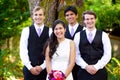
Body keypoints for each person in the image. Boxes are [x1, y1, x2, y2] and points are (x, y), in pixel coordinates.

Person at [74, 10, 111, 80]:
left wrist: (96, 67)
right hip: (83, 71)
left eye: (92, 18)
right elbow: (76, 54)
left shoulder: (104, 35)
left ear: (95, 19)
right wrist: (86, 66)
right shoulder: (78, 35)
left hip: (100, 72)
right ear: (84, 21)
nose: (90, 21)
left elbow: (107, 54)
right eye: (87, 19)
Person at [20, 6, 52, 80]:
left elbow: (51, 51)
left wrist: (42, 66)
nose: (38, 17)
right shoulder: (26, 31)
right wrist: (30, 67)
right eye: (36, 14)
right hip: (29, 70)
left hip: (45, 69)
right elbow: (23, 50)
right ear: (33, 16)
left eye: (40, 14)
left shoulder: (50, 31)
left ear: (44, 16)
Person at [64, 5, 84, 80]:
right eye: (67, 15)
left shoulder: (84, 30)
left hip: (80, 65)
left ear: (76, 15)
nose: (69, 17)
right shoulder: (62, 30)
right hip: (66, 64)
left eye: (71, 14)